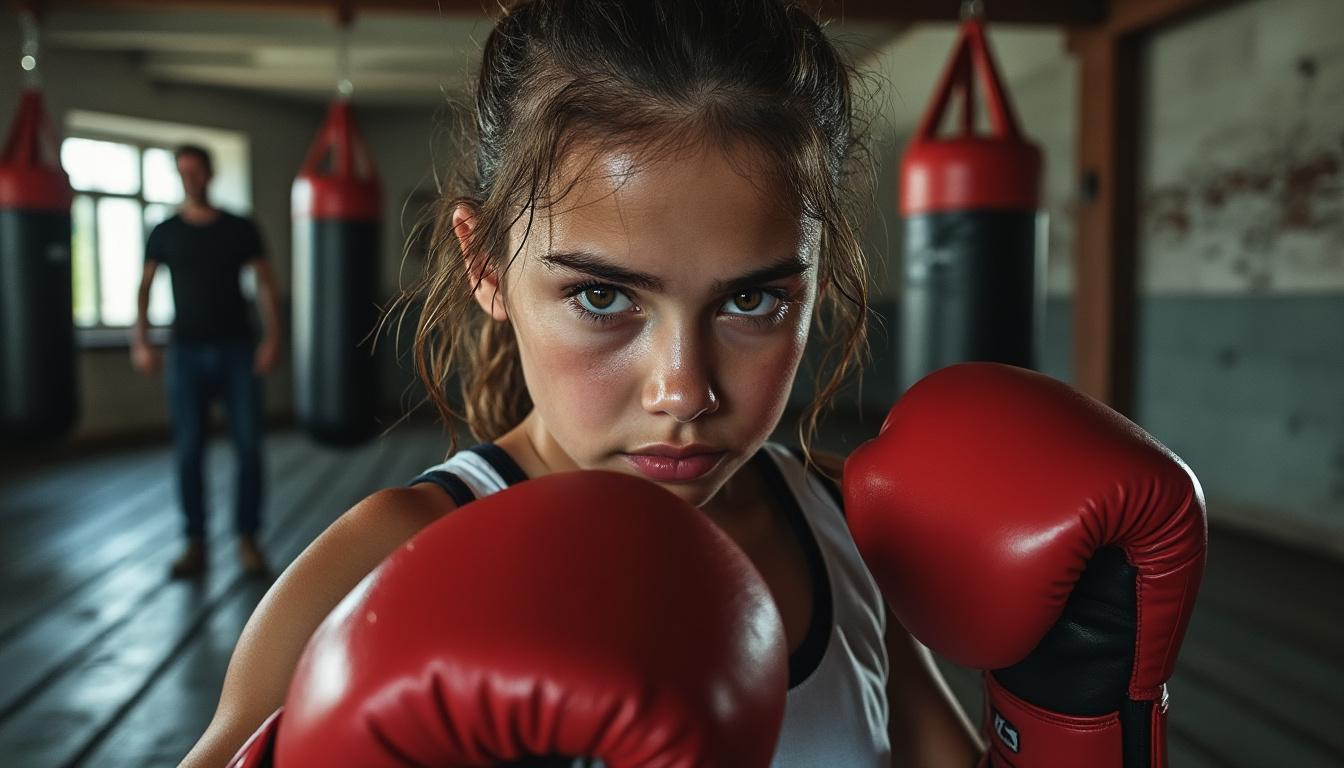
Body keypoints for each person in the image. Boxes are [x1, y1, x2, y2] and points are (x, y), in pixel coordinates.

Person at [182, 0, 983, 765]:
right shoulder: (379, 564)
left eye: (752, 299)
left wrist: (1066, 704)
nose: (683, 392)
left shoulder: (839, 528)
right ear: (484, 265)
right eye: (602, 297)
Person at [131, 144, 282, 580]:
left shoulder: (239, 228)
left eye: (196, 171)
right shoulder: (164, 230)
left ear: (210, 174)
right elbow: (144, 288)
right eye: (183, 172)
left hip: (238, 351)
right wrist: (140, 340)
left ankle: (248, 539)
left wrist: (273, 338)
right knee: (189, 450)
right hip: (185, 355)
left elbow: (266, 283)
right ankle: (194, 542)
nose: (190, 179)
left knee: (249, 448)